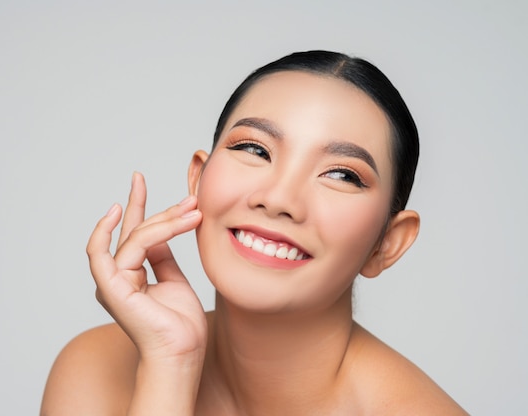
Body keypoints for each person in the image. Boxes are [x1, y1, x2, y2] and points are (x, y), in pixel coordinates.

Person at [41, 50, 467, 415]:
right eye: (254, 149)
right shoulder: (95, 369)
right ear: (198, 180)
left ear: (387, 244)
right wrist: (170, 365)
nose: (279, 197)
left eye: (340, 174)